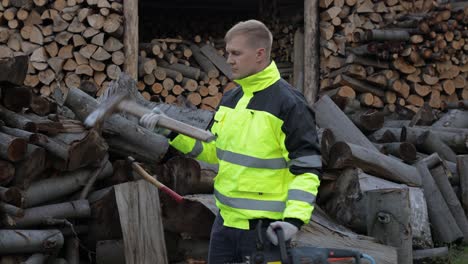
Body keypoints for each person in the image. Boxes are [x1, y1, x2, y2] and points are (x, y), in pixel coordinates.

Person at [140, 19, 321, 264]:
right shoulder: (231, 99)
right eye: (228, 53)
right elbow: (214, 151)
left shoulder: (289, 104)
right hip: (224, 225)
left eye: (236, 53)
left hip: (265, 232)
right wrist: (170, 133)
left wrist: (294, 221)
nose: (229, 60)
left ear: (259, 54)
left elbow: (307, 169)